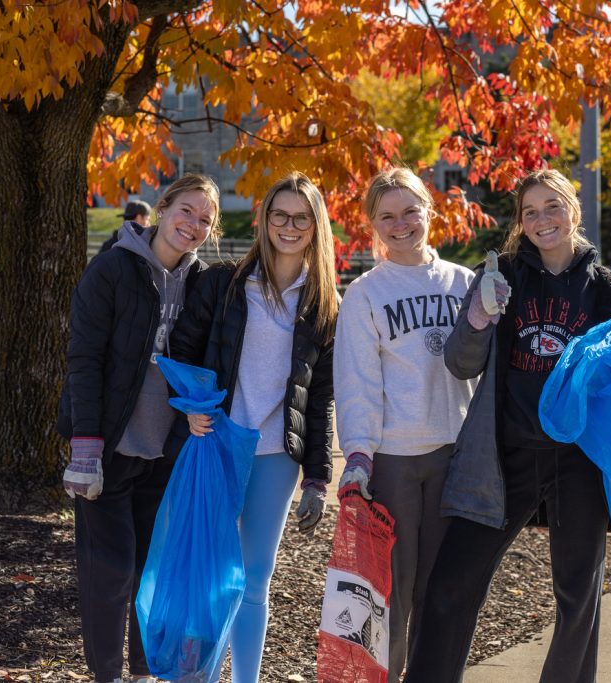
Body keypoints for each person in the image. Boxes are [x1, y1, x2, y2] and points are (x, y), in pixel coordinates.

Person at [405, 169, 611, 683]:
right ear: (521, 223)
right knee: (451, 585)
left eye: (552, 206)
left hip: (580, 459)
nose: (542, 219)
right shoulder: (502, 277)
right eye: (530, 211)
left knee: (579, 595)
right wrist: (480, 316)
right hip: (505, 456)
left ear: (574, 210)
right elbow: (461, 363)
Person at [166, 173, 338, 683]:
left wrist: (316, 477)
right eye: (278, 215)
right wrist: (189, 407)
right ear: (264, 220)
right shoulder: (222, 284)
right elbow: (183, 351)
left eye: (299, 218)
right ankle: (199, 676)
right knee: (212, 574)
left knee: (254, 578)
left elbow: (321, 399)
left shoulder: (324, 303)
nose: (288, 226)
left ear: (314, 226)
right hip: (216, 444)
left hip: (275, 455)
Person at [57, 174, 220, 683]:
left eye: (205, 220)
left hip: (164, 451)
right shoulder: (112, 270)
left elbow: (204, 362)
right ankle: (107, 675)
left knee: (151, 575)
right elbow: (83, 358)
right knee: (111, 574)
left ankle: (144, 672)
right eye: (186, 211)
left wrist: (197, 409)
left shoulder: (200, 284)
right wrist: (85, 447)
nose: (192, 225)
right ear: (163, 207)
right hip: (108, 448)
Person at [333, 168, 478, 683]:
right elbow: (357, 383)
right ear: (372, 224)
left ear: (430, 211)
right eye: (386, 216)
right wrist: (358, 456)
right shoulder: (365, 294)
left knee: (441, 591)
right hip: (392, 458)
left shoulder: (465, 282)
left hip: (454, 455)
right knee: (389, 592)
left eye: (409, 211)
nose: (401, 224)